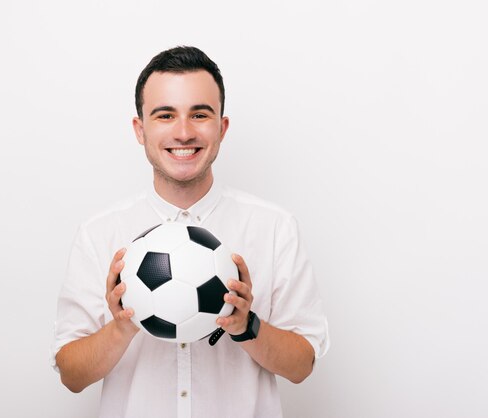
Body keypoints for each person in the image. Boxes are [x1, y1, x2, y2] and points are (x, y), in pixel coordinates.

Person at [51, 46, 329, 418]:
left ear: (221, 127)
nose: (183, 133)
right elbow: (71, 376)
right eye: (165, 115)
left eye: (199, 114)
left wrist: (247, 326)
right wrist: (121, 326)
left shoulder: (274, 228)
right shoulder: (99, 233)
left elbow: (302, 366)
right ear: (140, 129)